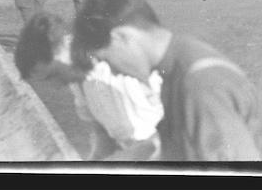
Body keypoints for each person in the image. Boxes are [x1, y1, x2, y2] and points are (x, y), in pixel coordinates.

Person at [73, 0, 262, 161]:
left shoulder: (198, 86)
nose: (114, 73)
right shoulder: (177, 62)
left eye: (107, 60)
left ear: (121, 37)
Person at [15, 11, 163, 161]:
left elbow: (165, 136)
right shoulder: (80, 82)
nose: (56, 87)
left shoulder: (119, 67)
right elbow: (103, 133)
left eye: (53, 75)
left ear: (65, 44)